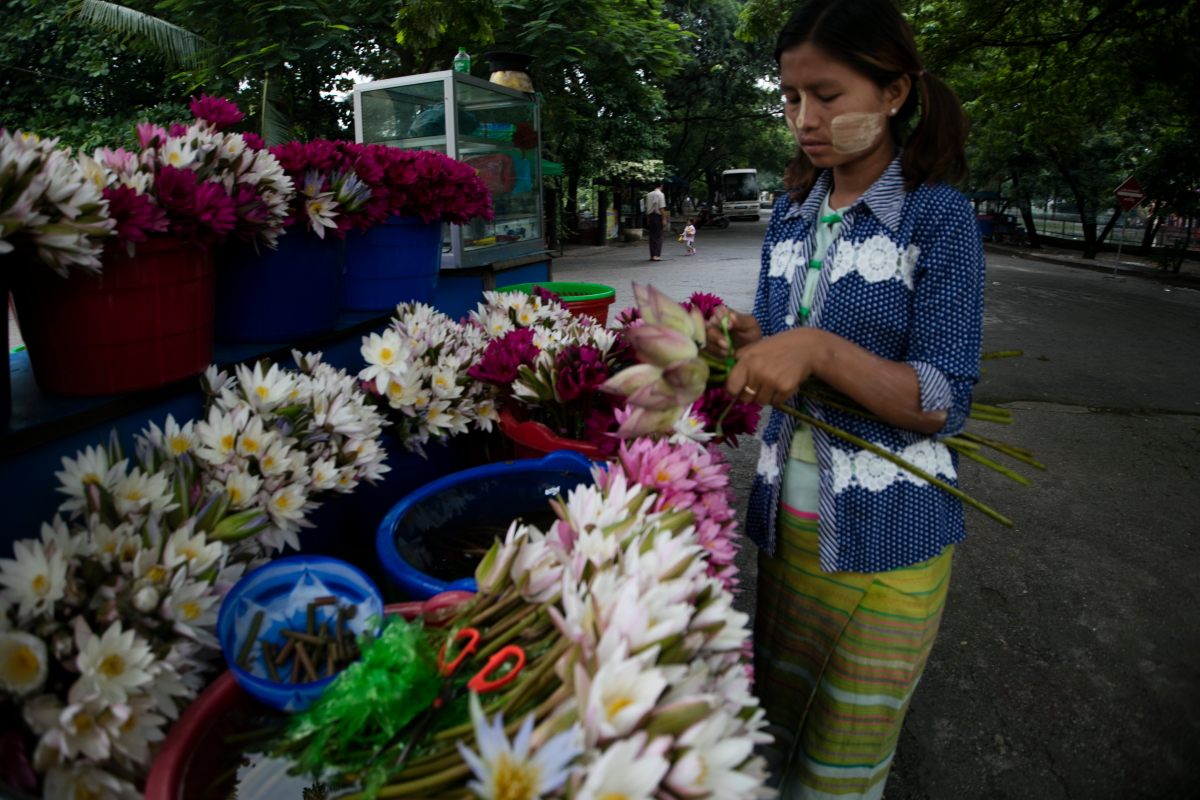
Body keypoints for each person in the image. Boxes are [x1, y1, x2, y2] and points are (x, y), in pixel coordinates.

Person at [704, 0, 982, 796]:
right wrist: (746, 336)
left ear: (894, 92)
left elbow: (943, 397)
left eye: (826, 95)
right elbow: (778, 339)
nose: (804, 119)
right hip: (788, 538)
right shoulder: (792, 214)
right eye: (791, 98)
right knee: (773, 734)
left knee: (839, 761)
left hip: (889, 535)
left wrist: (818, 348)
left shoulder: (938, 218)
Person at [644, 179, 667, 261]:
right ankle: (656, 255)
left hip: (650, 216)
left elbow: (646, 208)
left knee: (652, 236)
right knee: (658, 236)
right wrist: (664, 218)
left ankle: (652, 254)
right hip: (657, 216)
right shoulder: (660, 195)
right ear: (661, 186)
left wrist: (648, 218)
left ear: (654, 186)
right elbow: (661, 208)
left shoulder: (649, 195)